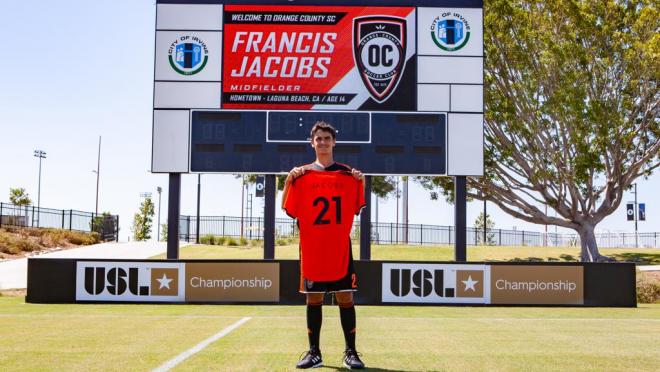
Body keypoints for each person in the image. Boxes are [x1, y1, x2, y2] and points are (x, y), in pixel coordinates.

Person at [282, 121, 366, 370]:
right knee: (313, 298)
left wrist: (361, 182)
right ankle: (314, 352)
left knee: (345, 297)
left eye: (327, 138)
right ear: (312, 143)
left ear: (334, 142)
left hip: (339, 247)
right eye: (318, 138)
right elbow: (287, 207)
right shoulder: (301, 175)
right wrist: (288, 181)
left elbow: (356, 205)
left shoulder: (348, 175)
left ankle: (351, 353)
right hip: (313, 248)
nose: (323, 142)